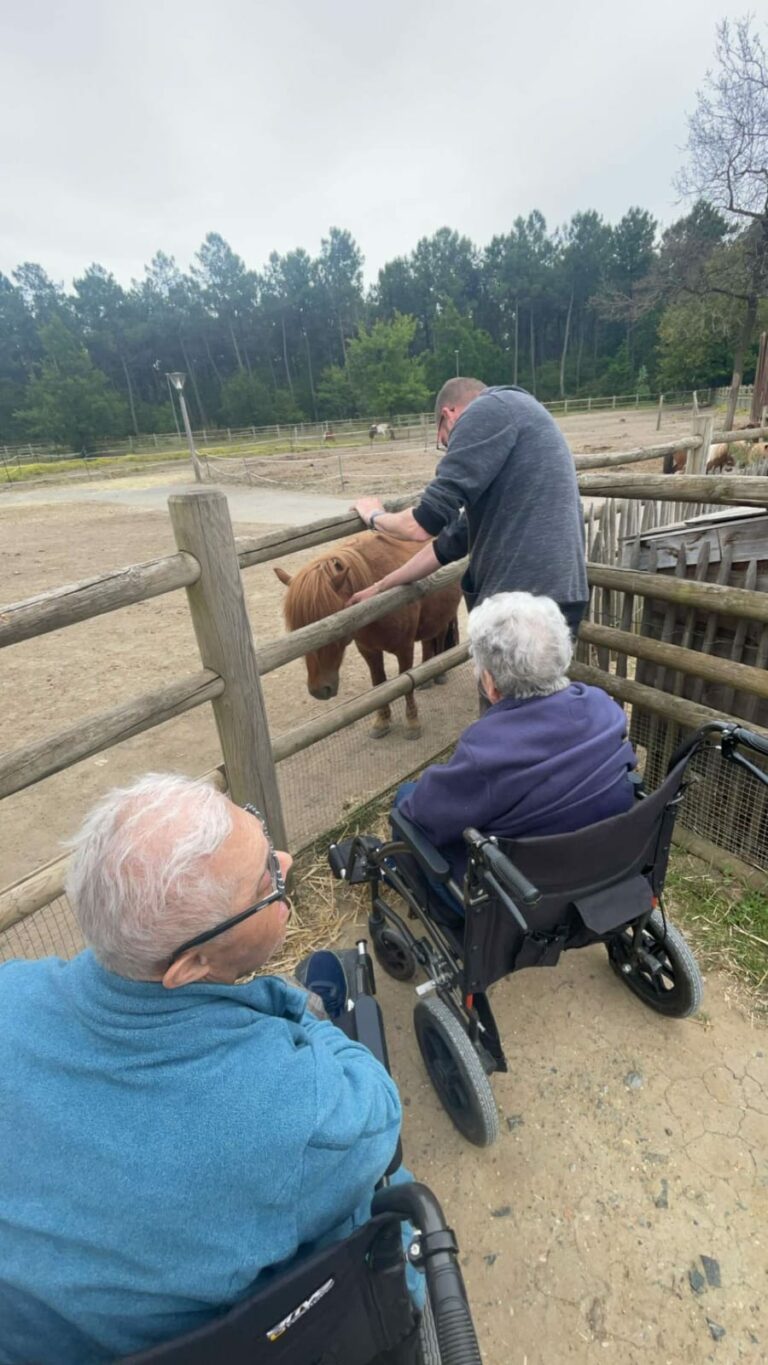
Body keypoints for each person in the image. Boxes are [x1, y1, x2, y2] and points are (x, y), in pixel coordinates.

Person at [0, 775, 408, 1364]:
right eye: (267, 882)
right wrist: (297, 1006)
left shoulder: (12, 991)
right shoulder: (295, 1106)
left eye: (263, 838)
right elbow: (379, 1111)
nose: (288, 862)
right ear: (191, 965)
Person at [392, 594, 638, 914]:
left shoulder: (485, 751)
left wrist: (409, 807)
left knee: (404, 803)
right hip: (598, 861)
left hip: (513, 898)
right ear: (560, 658)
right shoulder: (602, 707)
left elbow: (424, 815)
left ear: (490, 685)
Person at [349, 378, 588, 638]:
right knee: (545, 680)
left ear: (448, 415)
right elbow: (446, 546)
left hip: (519, 608)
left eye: (446, 442)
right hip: (560, 597)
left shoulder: (486, 410)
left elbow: (419, 526)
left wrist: (374, 515)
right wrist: (381, 586)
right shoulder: (522, 420)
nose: (452, 450)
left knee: (499, 680)